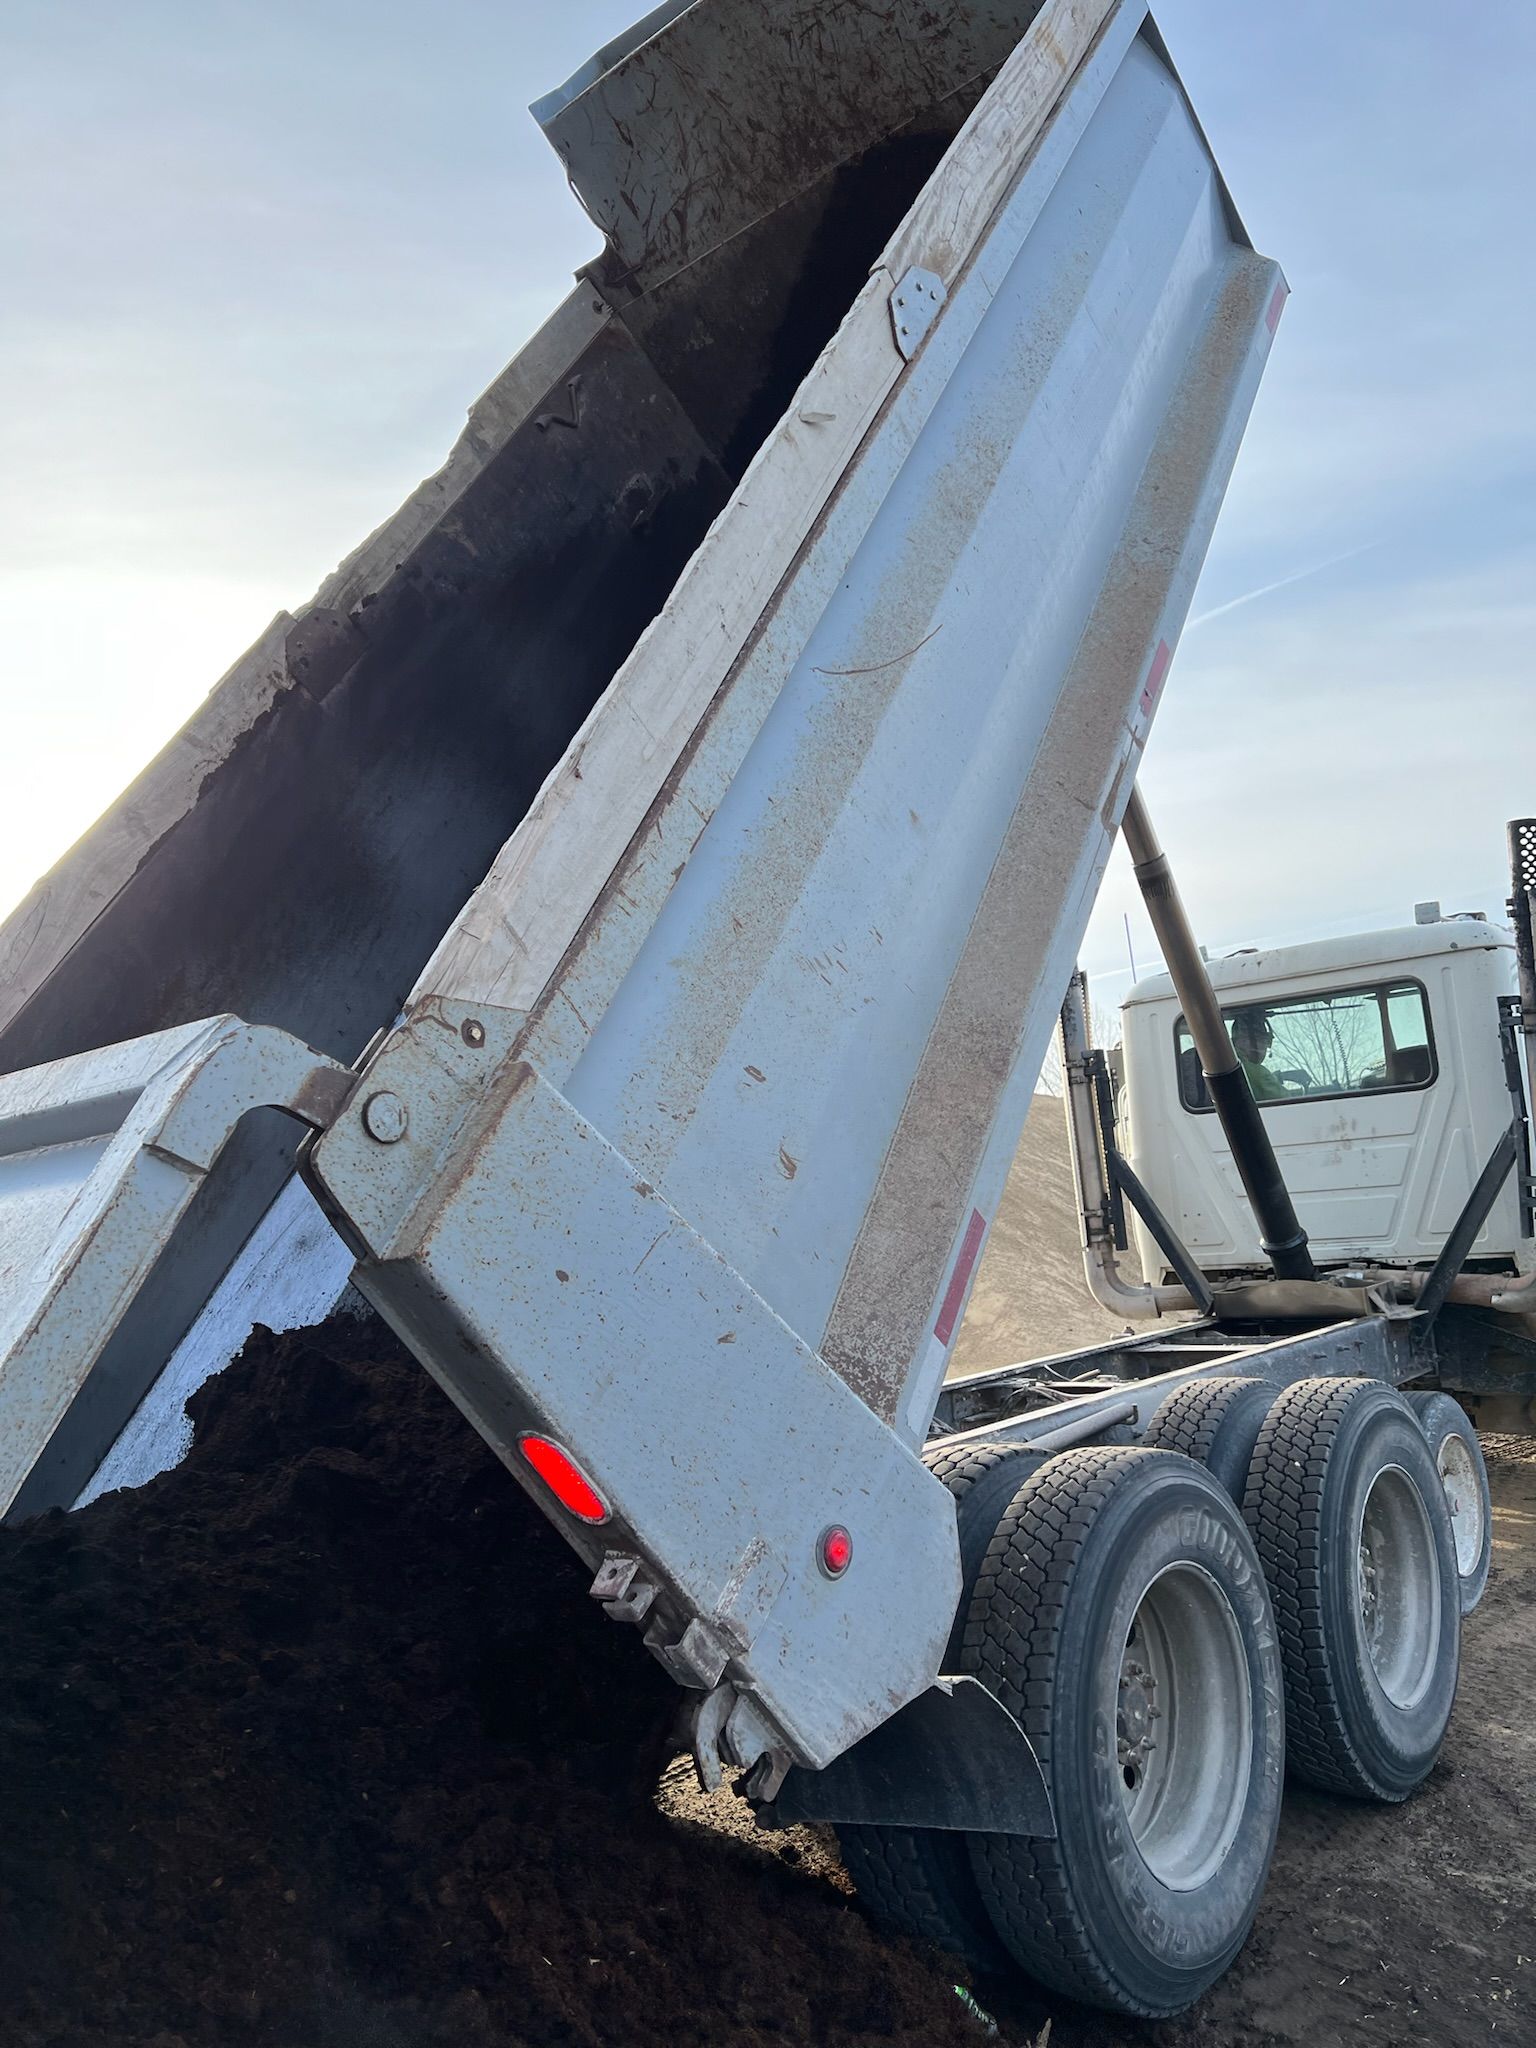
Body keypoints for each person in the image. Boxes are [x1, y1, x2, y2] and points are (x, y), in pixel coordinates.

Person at [1229, 1008, 1287, 1100]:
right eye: (1262, 1040)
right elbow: (1284, 1100)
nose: (1264, 1046)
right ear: (1241, 1040)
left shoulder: (1229, 1064)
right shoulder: (1258, 1074)